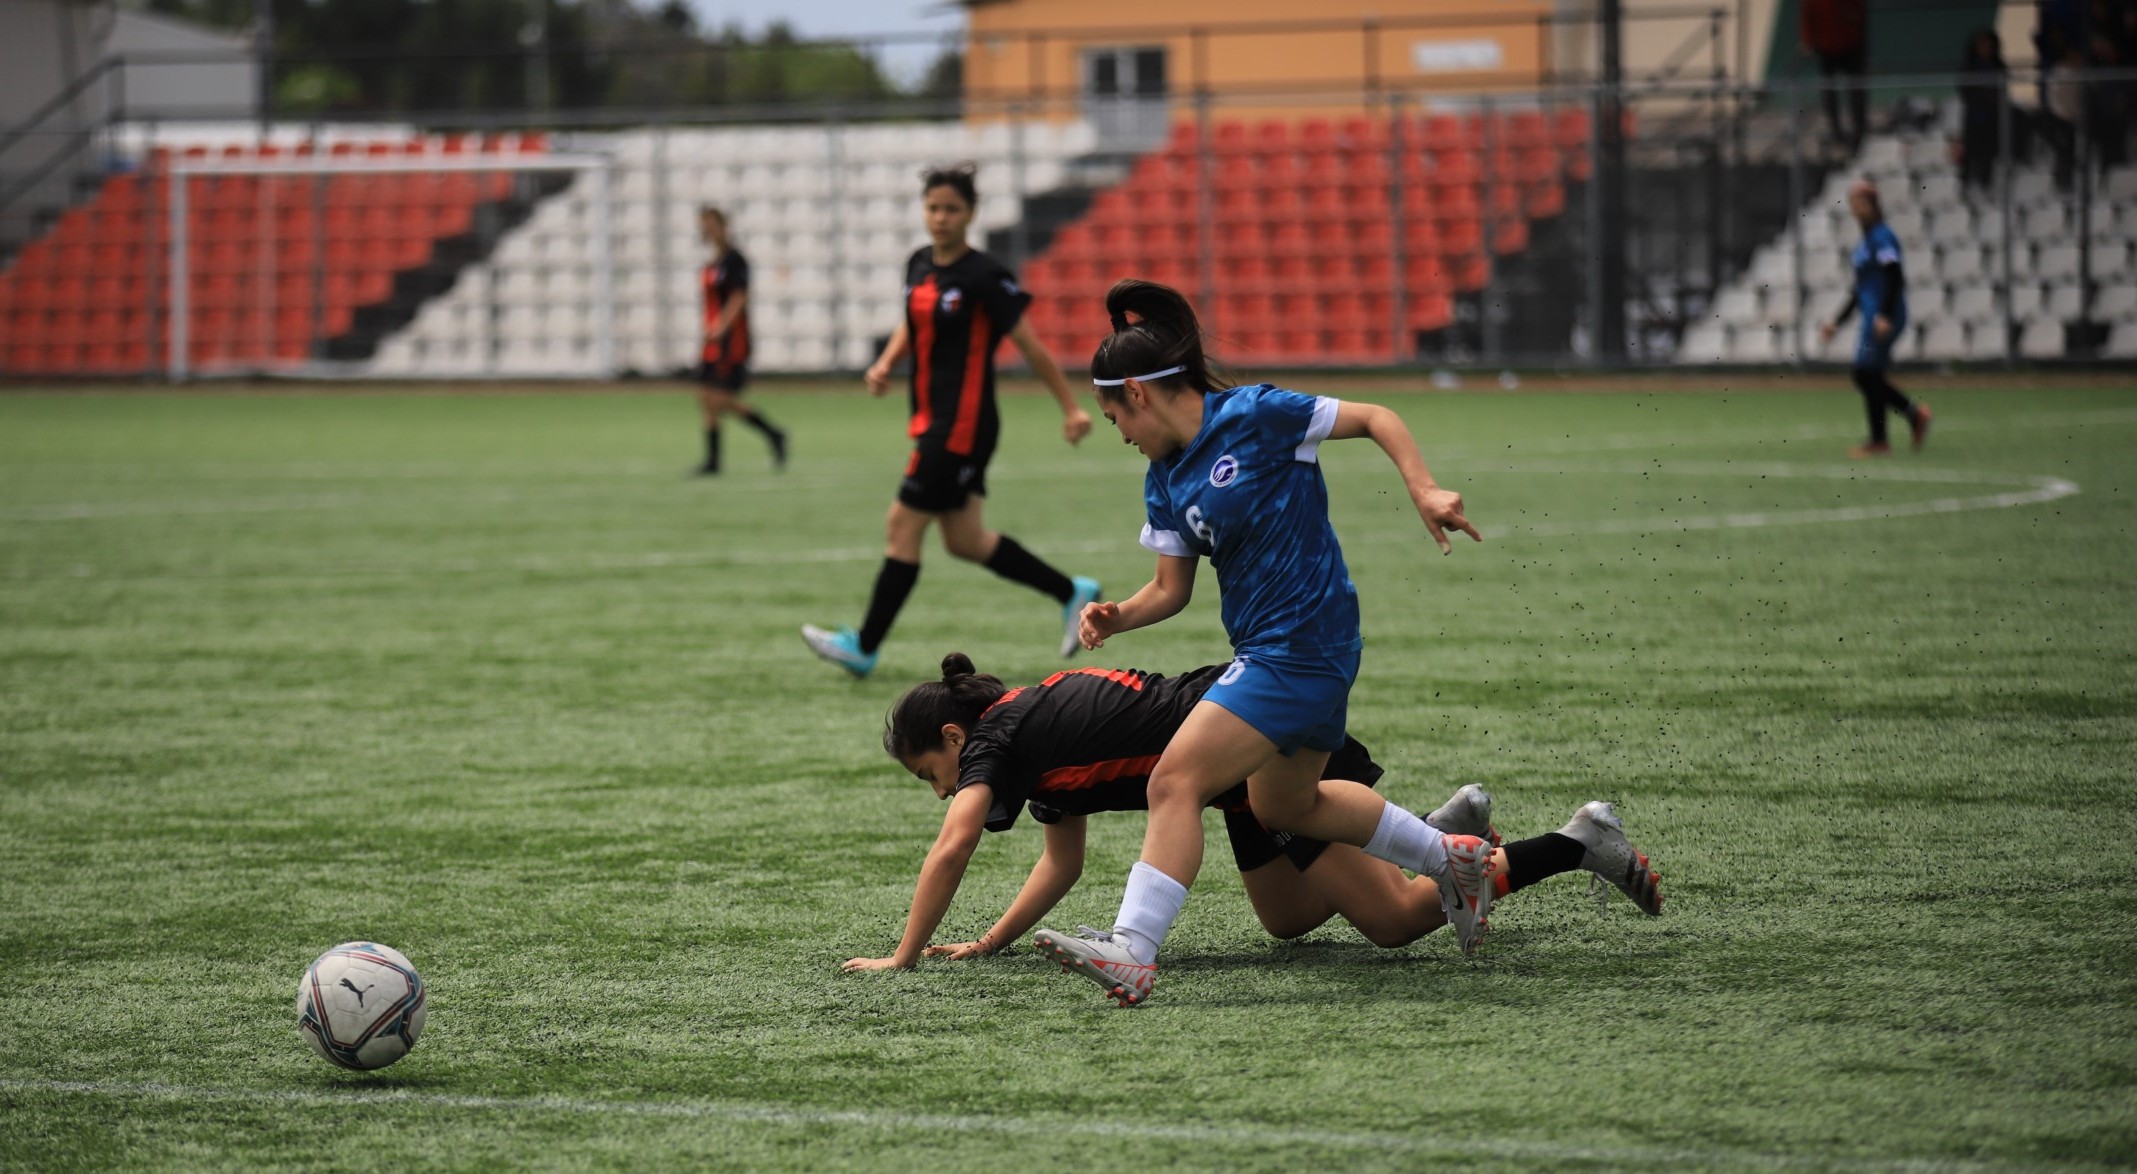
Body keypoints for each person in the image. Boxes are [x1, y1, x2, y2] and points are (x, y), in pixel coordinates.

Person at [1031, 280, 1491, 1008]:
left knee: (1174, 781)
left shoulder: (1256, 415)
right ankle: (1452, 859)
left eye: (1112, 412)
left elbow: (1376, 416)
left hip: (1300, 645)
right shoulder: (1164, 477)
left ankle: (1132, 951)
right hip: (1282, 652)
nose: (1115, 430)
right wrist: (1118, 616)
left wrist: (1424, 489)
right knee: (1284, 807)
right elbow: (1170, 590)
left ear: (1138, 395)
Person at [840, 653, 1661, 975]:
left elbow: (950, 849)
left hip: (1259, 746)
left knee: (1395, 923)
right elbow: (1062, 864)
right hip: (1236, 771)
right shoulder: (1026, 746)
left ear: (954, 736)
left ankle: (1574, 841)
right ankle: (1440, 828)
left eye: (929, 772)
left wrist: (901, 957)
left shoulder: (996, 741)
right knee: (1284, 918)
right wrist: (987, 943)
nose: (943, 791)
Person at [801, 164, 1101, 678]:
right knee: (964, 540)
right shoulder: (918, 263)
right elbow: (910, 323)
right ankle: (1073, 592)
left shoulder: (984, 276)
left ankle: (864, 646)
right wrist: (885, 364)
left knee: (902, 525)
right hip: (931, 418)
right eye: (933, 208)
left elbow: (1029, 345)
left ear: (971, 214)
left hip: (961, 426)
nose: (940, 218)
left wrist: (1071, 407)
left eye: (951, 209)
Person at [1819, 179, 1930, 459]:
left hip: (1883, 317)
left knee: (1864, 373)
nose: (1855, 208)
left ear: (1872, 205)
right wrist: (1837, 321)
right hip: (1873, 316)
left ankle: (1900, 424)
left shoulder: (1882, 237)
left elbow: (1894, 276)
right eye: (1853, 203)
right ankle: (1894, 430)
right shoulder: (1867, 242)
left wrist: (1885, 314)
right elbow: (1860, 290)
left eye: (1860, 202)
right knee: (1870, 375)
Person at [691, 205, 786, 476]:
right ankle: (713, 460)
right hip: (711, 339)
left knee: (719, 397)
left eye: (711, 224)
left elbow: (739, 296)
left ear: (722, 226)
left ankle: (773, 433)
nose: (707, 230)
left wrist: (722, 325)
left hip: (731, 339)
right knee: (706, 397)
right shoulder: (711, 263)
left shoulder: (735, 261)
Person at [1800, 0, 1870, 154]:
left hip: (1850, 45)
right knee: (1829, 91)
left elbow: (1858, 13)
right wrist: (1808, 42)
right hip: (1827, 48)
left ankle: (1860, 129)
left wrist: (1855, 25)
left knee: (1856, 89)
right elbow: (1807, 18)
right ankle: (1835, 130)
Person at [1957, 30, 2010, 195]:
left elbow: (2000, 92)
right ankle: (1964, 186)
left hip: (1992, 119)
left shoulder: (1999, 67)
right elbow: (1965, 92)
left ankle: (1986, 184)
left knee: (1988, 153)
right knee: (1971, 151)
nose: (1985, 48)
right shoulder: (1969, 67)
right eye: (1981, 45)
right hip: (1974, 118)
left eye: (1988, 45)